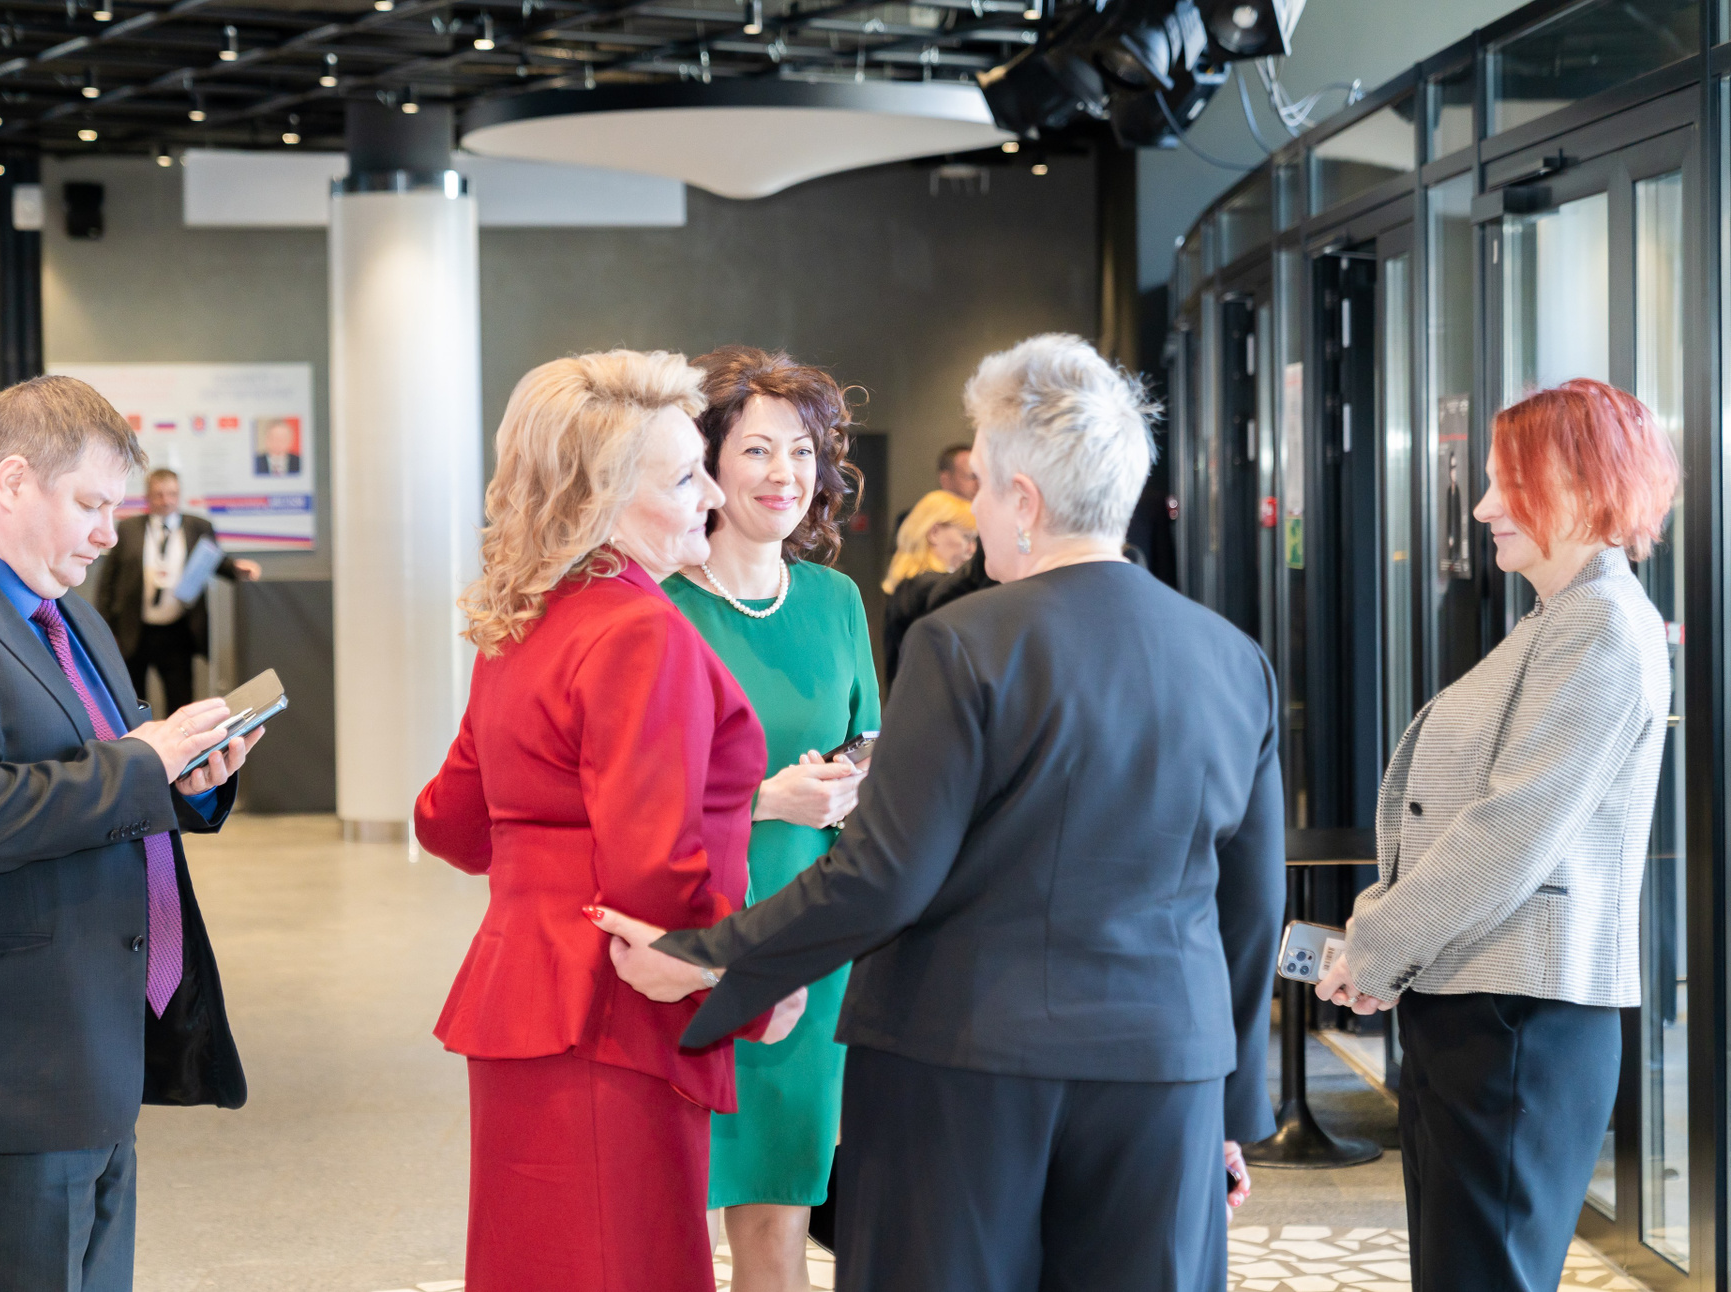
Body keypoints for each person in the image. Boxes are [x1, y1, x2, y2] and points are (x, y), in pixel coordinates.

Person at [591, 333, 1286, 1292]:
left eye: (985, 487)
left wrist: (709, 956)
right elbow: (1251, 906)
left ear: (1026, 502)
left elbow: (884, 877)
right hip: (1168, 1071)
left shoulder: (964, 644)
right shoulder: (1235, 660)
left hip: (966, 1066)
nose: (975, 511)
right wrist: (1230, 1112)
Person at [0, 375, 263, 1292]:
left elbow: (103, 772)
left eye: (115, 507)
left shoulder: (69, 612)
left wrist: (184, 781)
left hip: (88, 1060)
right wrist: (143, 765)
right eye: (90, 504)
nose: (109, 532)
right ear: (12, 482)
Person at [412, 350, 805, 1292]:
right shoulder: (639, 630)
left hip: (523, 999)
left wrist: (543, 855)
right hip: (616, 1018)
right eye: (684, 477)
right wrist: (750, 986)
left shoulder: (525, 618)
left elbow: (449, 821)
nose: (715, 494)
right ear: (600, 501)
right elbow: (654, 871)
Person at [1316, 378, 1679, 1292]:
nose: (1481, 509)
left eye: (1506, 484)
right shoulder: (1563, 619)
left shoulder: (1601, 626)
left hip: (1519, 1021)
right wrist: (1382, 939)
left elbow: (1509, 833)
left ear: (1585, 484)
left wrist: (1376, 945)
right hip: (1484, 1008)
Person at [663, 347, 878, 1291]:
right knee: (666, 1214)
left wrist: (855, 779)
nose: (784, 473)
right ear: (708, 462)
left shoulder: (835, 600)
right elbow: (622, 791)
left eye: (802, 450)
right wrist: (763, 799)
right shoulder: (660, 608)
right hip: (690, 942)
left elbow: (869, 739)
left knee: (779, 1211)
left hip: (812, 941)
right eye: (756, 449)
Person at [93, 467, 262, 716]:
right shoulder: (128, 529)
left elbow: (214, 561)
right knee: (132, 701)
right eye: (159, 494)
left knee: (181, 701)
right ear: (148, 496)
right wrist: (107, 629)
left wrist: (237, 568)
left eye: (172, 494)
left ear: (179, 494)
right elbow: (108, 582)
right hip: (134, 630)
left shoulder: (199, 527)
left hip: (178, 630)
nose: (166, 500)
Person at [880, 489, 975, 685]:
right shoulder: (928, 588)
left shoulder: (909, 585)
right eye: (966, 537)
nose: (971, 549)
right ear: (934, 533)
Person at [889, 443, 978, 539]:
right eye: (972, 477)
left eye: (982, 477)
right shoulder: (917, 522)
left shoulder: (986, 519)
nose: (979, 484)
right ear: (945, 480)